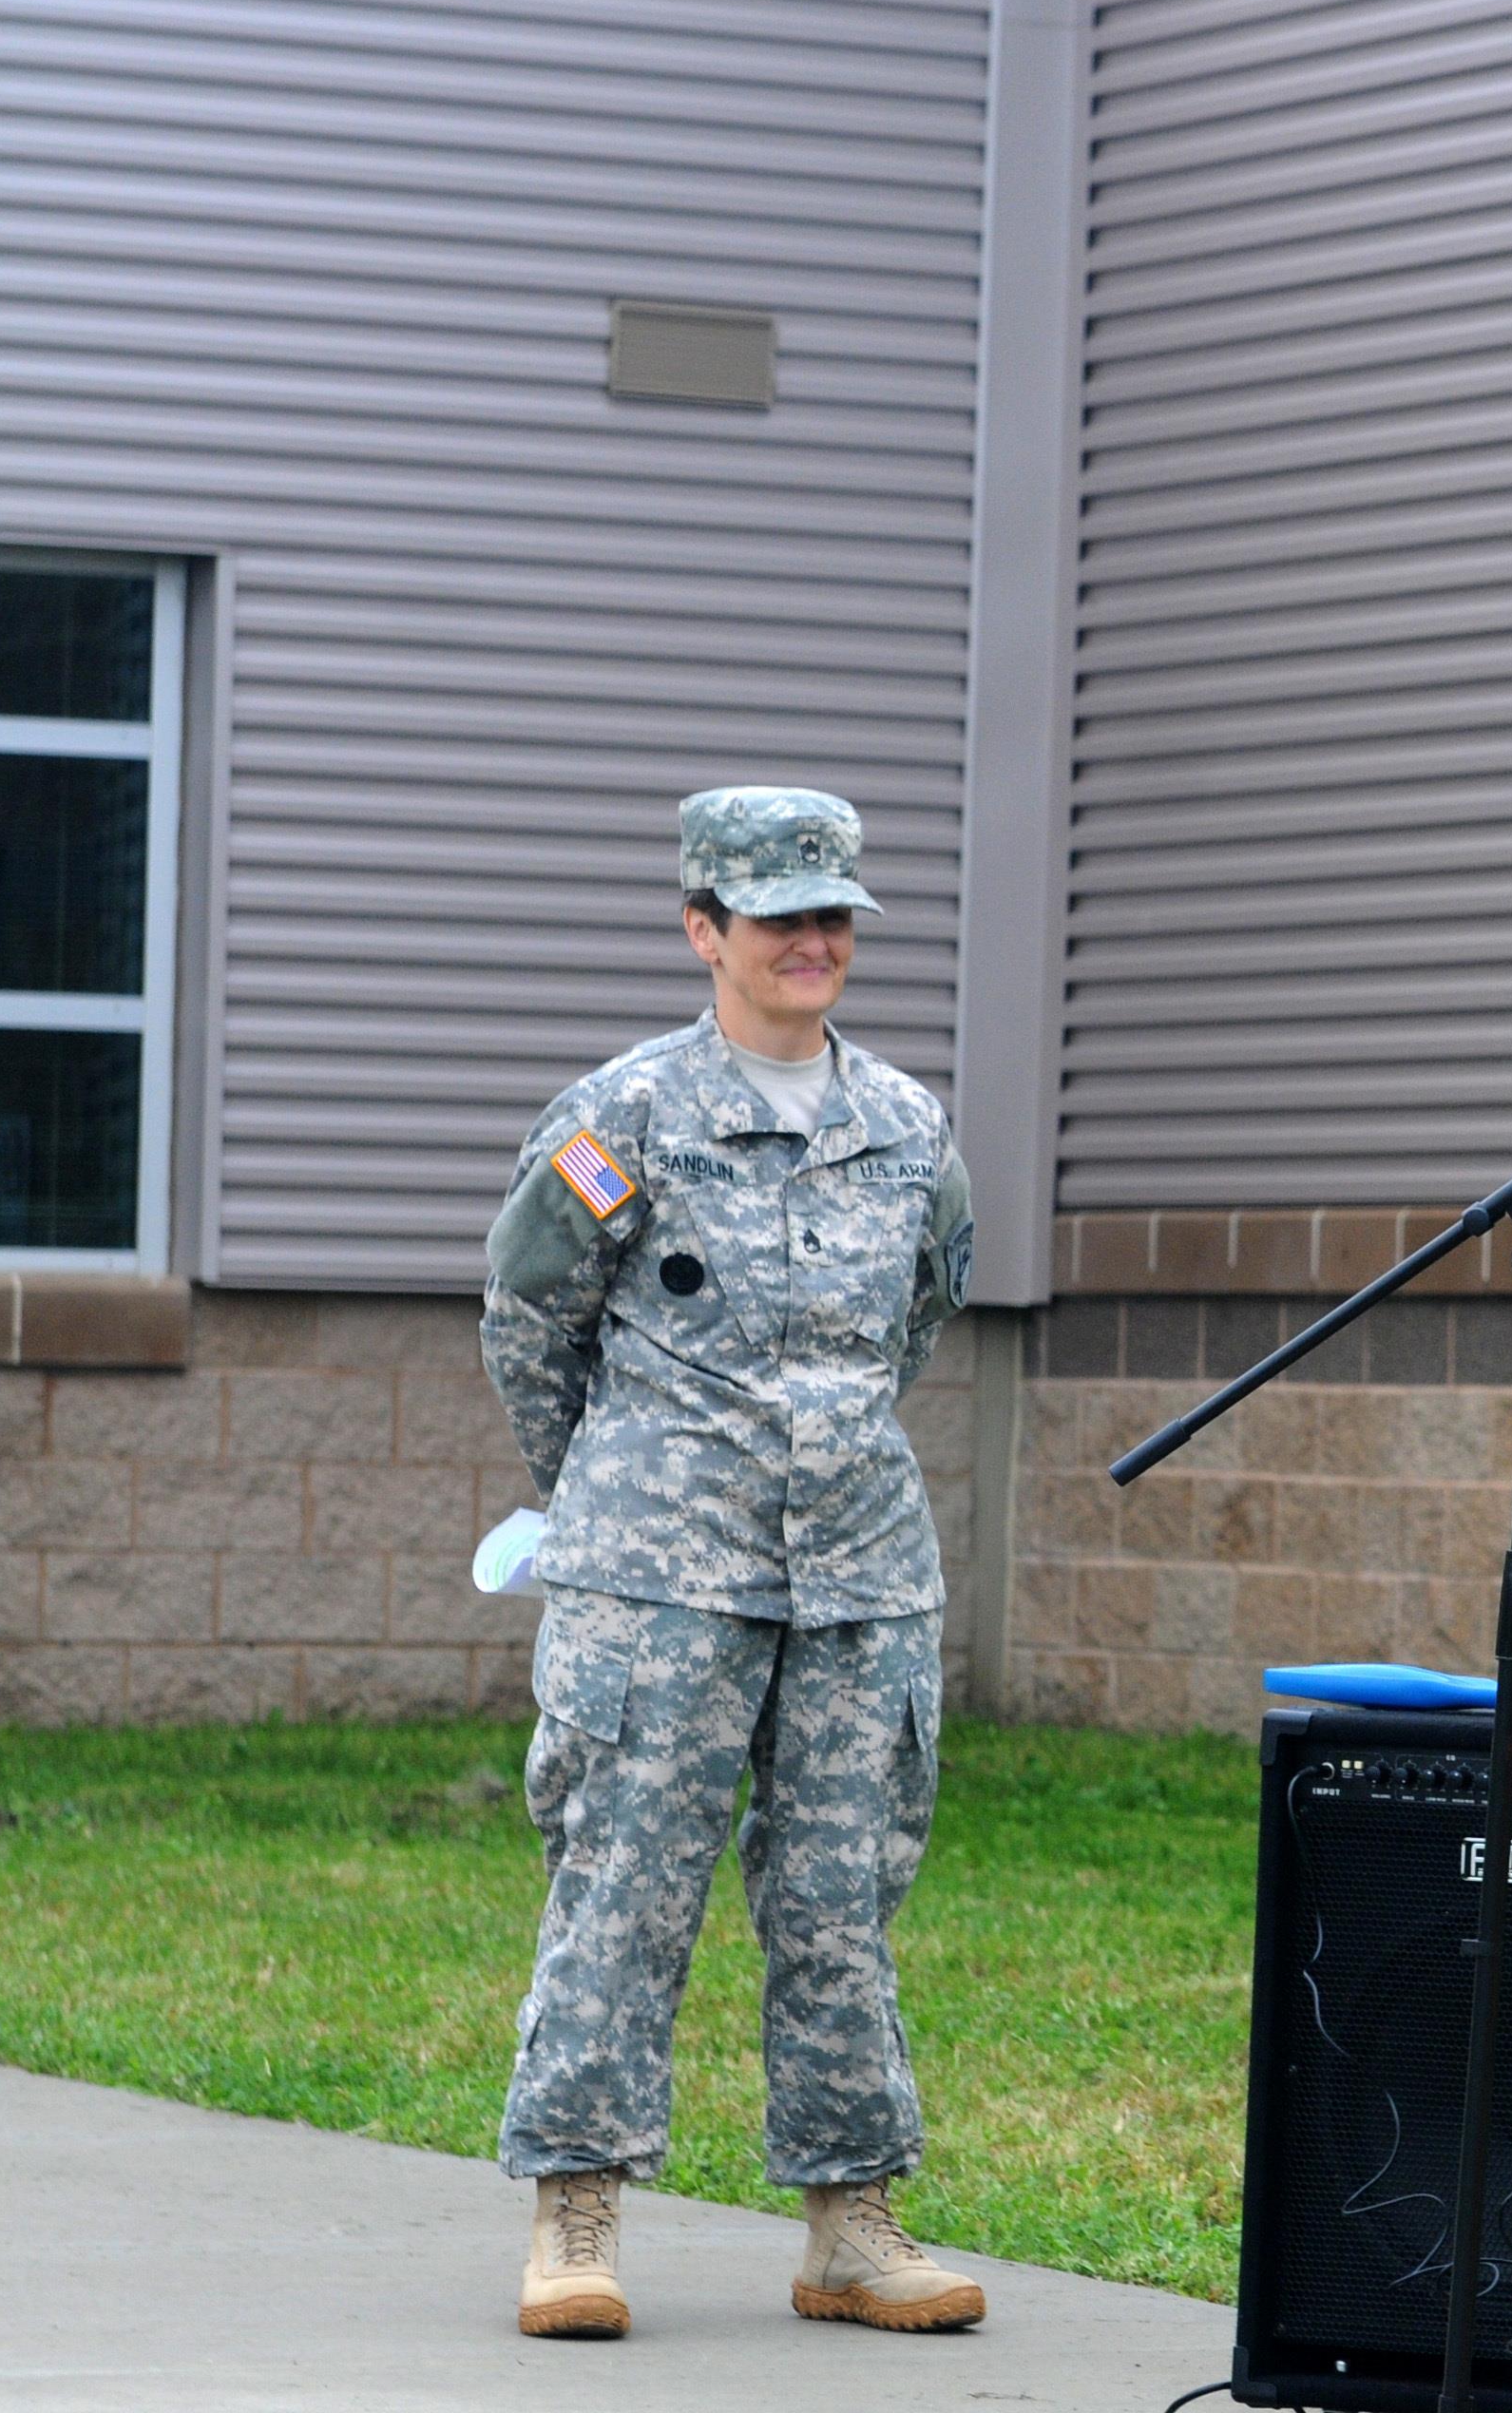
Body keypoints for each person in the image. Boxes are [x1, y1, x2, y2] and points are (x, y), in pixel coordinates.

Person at [480, 786, 985, 2341]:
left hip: (859, 1581)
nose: (813, 941)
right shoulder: (621, 1116)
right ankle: (575, 2212)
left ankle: (852, 2223)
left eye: (833, 914)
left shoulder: (907, 1127)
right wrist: (618, 1497)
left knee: (841, 1903)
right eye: (779, 918)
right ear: (705, 928)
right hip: (658, 1578)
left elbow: (924, 1308)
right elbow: (528, 1320)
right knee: (623, 1894)